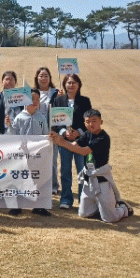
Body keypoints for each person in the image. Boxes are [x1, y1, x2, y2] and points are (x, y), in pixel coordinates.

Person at [50, 109, 133, 223]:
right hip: (88, 180)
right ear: (84, 123)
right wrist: (57, 139)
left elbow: (84, 151)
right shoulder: (87, 134)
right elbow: (74, 145)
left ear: (101, 122)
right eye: (88, 122)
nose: (91, 124)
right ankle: (101, 208)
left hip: (101, 181)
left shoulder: (103, 138)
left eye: (94, 121)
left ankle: (124, 209)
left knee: (109, 219)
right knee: (84, 214)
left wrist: (62, 142)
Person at [4, 88, 51, 217]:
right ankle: (17, 206)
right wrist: (9, 126)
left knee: (38, 179)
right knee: (20, 178)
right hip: (22, 155)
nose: (34, 101)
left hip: (37, 155)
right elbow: (13, 135)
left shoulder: (41, 118)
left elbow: (45, 135)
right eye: (32, 99)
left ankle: (39, 206)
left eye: (37, 99)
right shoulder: (19, 117)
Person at [52, 73, 92, 209]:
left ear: (79, 85)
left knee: (82, 171)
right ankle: (66, 200)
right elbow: (55, 122)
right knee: (65, 171)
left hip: (81, 142)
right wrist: (64, 132)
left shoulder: (85, 101)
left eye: (74, 82)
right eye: (68, 82)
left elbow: (89, 121)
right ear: (64, 84)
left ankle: (83, 200)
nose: (71, 85)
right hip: (64, 142)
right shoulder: (58, 101)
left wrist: (78, 132)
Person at [34, 67, 60, 195]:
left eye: (46, 76)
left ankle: (53, 185)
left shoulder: (56, 92)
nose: (43, 78)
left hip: (51, 131)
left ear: (50, 78)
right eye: (41, 76)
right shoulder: (32, 93)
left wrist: (62, 97)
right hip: (36, 131)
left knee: (52, 160)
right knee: (36, 160)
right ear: (37, 78)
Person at [0, 70, 21, 134]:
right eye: (7, 79)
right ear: (2, 82)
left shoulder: (21, 96)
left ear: (15, 82)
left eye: (11, 79)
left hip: (18, 130)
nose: (9, 81)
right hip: (3, 131)